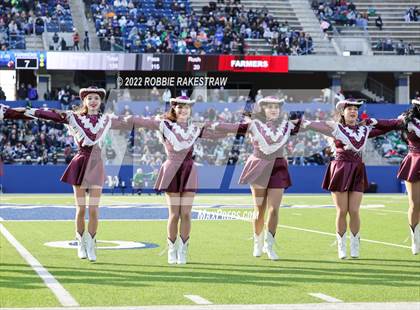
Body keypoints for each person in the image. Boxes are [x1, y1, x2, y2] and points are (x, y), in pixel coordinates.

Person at [20, 86, 131, 262]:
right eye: (90, 98)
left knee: (94, 209)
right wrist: (30, 111)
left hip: (96, 165)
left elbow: (130, 121)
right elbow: (52, 115)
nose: (93, 101)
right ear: (84, 101)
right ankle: (80, 242)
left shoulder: (107, 120)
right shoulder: (74, 117)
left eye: (96, 98)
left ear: (101, 101)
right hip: (80, 162)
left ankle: (92, 244)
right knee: (81, 209)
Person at [128, 96, 235, 264]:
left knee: (186, 213)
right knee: (174, 214)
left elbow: (214, 135)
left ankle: (183, 249)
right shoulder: (164, 125)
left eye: (187, 108)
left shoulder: (194, 127)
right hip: (172, 168)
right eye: (180, 107)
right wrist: (127, 118)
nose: (184, 110)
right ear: (174, 109)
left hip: (188, 168)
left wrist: (232, 129)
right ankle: (172, 248)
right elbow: (144, 122)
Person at [303, 99, 402, 259]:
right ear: (342, 112)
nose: (353, 111)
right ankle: (341, 246)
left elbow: (388, 127)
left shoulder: (364, 130)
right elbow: (314, 125)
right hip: (340, 169)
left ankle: (355, 245)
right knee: (342, 211)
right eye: (349, 109)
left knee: (354, 211)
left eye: (355, 109)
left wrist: (375, 121)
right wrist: (303, 122)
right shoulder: (335, 129)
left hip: (357, 169)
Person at [210, 96, 301, 260]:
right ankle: (257, 242)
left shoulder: (286, 125)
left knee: (274, 209)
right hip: (258, 165)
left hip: (278, 167)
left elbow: (305, 126)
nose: (273, 109)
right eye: (269, 106)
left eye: (276, 107)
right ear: (263, 109)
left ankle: (270, 245)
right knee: (259, 209)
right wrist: (215, 124)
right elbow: (233, 127)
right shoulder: (253, 125)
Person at [395, 97, 420, 254]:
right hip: (415, 160)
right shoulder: (408, 119)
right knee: (415, 203)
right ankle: (415, 239)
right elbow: (389, 124)